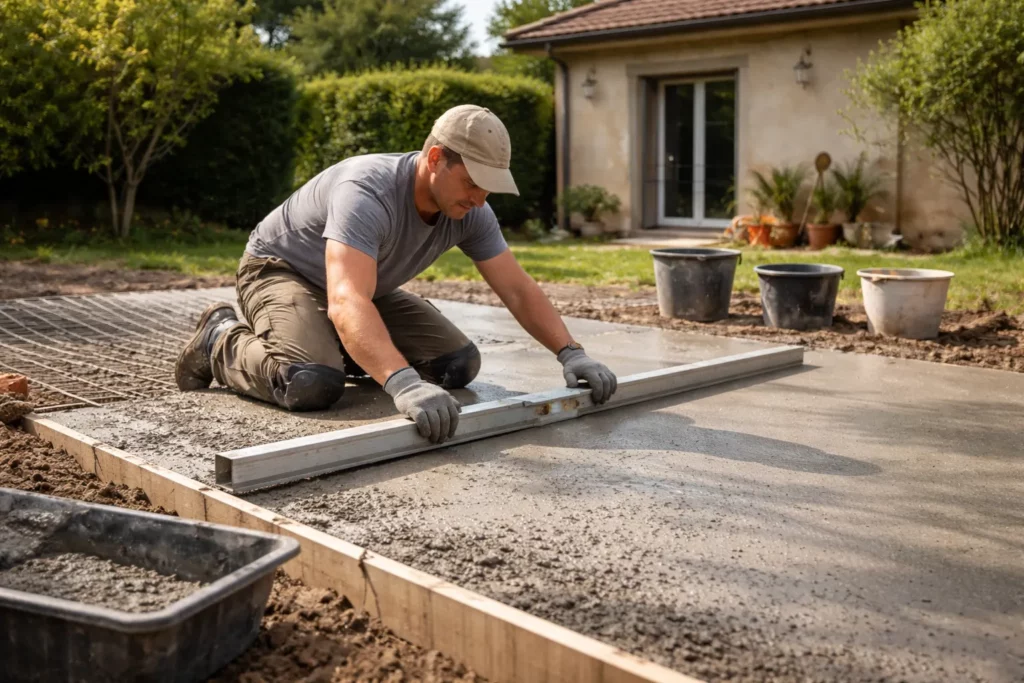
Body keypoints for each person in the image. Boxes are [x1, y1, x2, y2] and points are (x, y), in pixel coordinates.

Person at [175, 104, 617, 444]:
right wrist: (402, 383)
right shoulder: (367, 191)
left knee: (456, 365)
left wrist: (571, 353)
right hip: (280, 271)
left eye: (488, 187)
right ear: (436, 157)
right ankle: (219, 339)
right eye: (472, 182)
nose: (480, 199)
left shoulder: (470, 210)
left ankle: (334, 341)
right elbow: (347, 300)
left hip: (364, 285)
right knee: (310, 382)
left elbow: (517, 289)